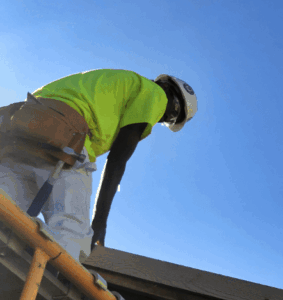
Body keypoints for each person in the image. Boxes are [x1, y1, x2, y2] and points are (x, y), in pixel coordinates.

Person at [0, 69, 196, 261]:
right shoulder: (155, 94)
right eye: (171, 118)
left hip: (21, 130)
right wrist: (99, 222)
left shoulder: (118, 82)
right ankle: (41, 285)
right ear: (174, 103)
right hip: (65, 139)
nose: (162, 119)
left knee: (6, 211)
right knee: (72, 232)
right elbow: (117, 161)